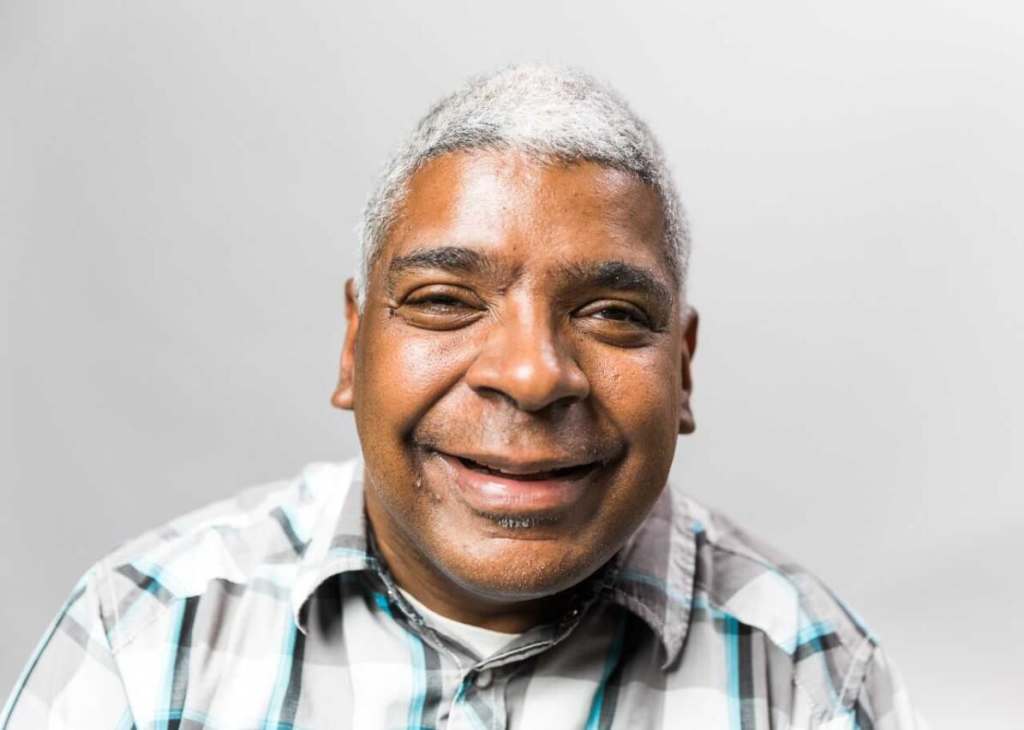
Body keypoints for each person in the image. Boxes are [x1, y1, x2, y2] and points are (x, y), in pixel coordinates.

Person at [1, 65, 922, 729]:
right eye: (445, 301)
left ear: (682, 369)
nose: (529, 376)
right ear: (354, 347)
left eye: (609, 313)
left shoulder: (810, 679)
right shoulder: (145, 632)